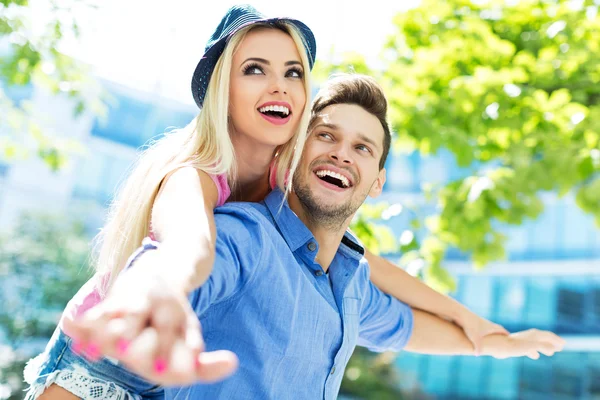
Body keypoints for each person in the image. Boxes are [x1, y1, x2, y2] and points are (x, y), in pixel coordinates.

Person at [25, 5, 506, 398]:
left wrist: (468, 319)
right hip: (106, 352)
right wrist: (162, 288)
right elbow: (189, 244)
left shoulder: (284, 182)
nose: (279, 85)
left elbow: (365, 265)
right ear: (222, 89)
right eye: (255, 69)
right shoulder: (196, 172)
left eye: (293, 72)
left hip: (170, 359)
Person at [155, 73, 564, 398]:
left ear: (377, 184)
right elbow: (164, 283)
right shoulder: (244, 239)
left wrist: (491, 342)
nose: (342, 153)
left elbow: (405, 327)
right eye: (327, 136)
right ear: (294, 152)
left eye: (363, 148)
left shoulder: (349, 288)